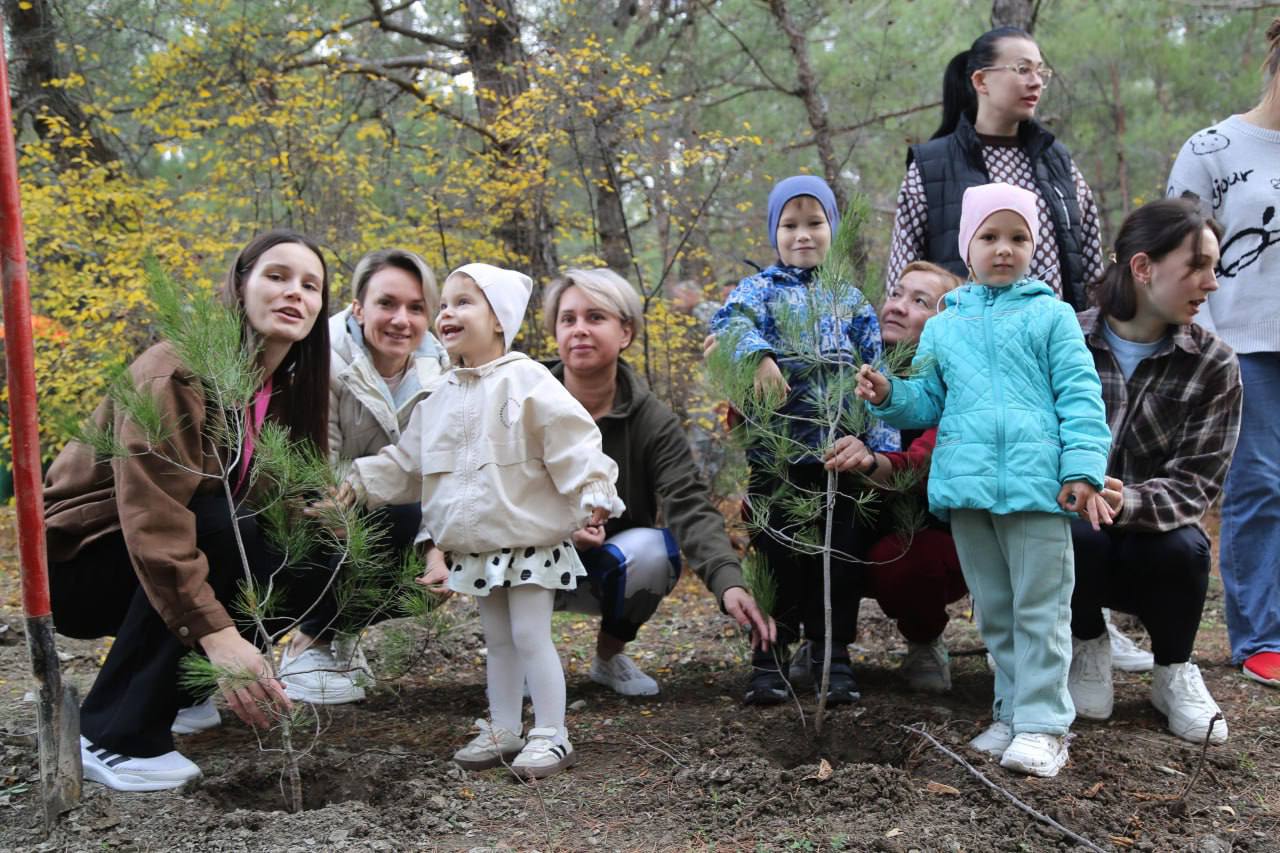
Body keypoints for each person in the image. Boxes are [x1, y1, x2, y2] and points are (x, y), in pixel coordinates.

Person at [44, 230, 333, 791]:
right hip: (84, 562)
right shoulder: (178, 372)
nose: (294, 293)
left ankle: (182, 689)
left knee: (304, 543)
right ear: (240, 285)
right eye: (277, 276)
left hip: (167, 552)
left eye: (310, 285)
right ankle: (112, 735)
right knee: (223, 524)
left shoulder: (280, 389)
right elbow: (156, 521)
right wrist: (219, 635)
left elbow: (277, 512)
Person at [858, 183, 1113, 778]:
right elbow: (928, 401)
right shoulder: (945, 326)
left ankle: (1045, 725)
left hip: (1037, 489)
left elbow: (1081, 396)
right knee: (996, 611)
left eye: (1018, 237)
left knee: (1041, 609)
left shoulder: (1052, 316)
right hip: (968, 489)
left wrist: (1083, 470)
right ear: (966, 245)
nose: (1004, 248)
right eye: (990, 236)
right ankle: (1011, 710)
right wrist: (891, 394)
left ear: (1033, 246)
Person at [339, 263, 623, 780]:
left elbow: (573, 440)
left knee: (530, 635)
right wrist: (357, 482)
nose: (447, 313)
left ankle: (552, 732)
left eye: (464, 302)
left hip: (530, 538)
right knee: (499, 641)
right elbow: (407, 464)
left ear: (499, 320)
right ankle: (504, 727)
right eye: (444, 304)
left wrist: (594, 486)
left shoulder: (527, 380)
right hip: (480, 546)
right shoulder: (439, 396)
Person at [542, 268, 775, 697]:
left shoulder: (652, 420)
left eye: (596, 317)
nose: (579, 330)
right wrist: (556, 530)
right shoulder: (523, 400)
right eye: (568, 319)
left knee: (654, 550)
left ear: (625, 332)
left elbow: (689, 503)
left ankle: (608, 657)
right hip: (527, 557)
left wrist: (729, 581)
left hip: (606, 565)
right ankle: (522, 658)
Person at [709, 175, 897, 707]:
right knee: (777, 555)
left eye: (815, 223)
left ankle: (832, 656)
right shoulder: (760, 289)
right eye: (789, 225)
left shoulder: (851, 301)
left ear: (833, 229)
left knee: (839, 557)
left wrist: (881, 449)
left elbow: (876, 373)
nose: (803, 235)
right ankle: (769, 658)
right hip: (778, 456)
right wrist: (757, 357)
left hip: (840, 459)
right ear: (775, 233)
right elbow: (729, 323)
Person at [1065, 199, 1240, 745]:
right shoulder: (1065, 340)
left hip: (1152, 544)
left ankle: (1173, 670)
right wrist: (1081, 492)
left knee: (1185, 548)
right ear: (1143, 267)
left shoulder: (1213, 364)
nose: (1211, 283)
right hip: (1069, 529)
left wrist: (1126, 502)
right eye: (1197, 265)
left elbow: (1196, 483)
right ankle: (1087, 641)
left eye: (1214, 267)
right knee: (1072, 531)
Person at [274, 248, 450, 706]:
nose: (401, 320)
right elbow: (316, 467)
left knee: (436, 557)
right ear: (358, 308)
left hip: (387, 507)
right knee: (374, 517)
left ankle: (340, 634)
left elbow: (440, 469)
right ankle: (306, 644)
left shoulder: (441, 371)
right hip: (321, 510)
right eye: (386, 303)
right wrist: (357, 493)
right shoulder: (321, 359)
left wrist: (437, 547)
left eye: (416, 308)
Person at [1166, 17, 1280, 688]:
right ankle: (1262, 635)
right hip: (1243, 345)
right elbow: (1177, 245)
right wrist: (1195, 338)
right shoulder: (1213, 148)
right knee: (1260, 485)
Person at [822, 261, 966, 694]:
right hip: (847, 522)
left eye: (919, 301)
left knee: (909, 560)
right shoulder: (847, 365)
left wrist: (871, 462)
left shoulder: (958, 382)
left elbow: (924, 464)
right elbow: (786, 423)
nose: (898, 307)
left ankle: (924, 639)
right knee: (780, 512)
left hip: (923, 528)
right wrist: (747, 383)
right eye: (897, 293)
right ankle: (814, 640)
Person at [886, 26, 1104, 310]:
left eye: (1040, 71)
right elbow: (902, 273)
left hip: (1054, 337)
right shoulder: (931, 166)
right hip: (963, 335)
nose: (1036, 82)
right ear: (981, 80)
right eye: (1022, 69)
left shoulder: (1058, 162)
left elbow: (1091, 263)